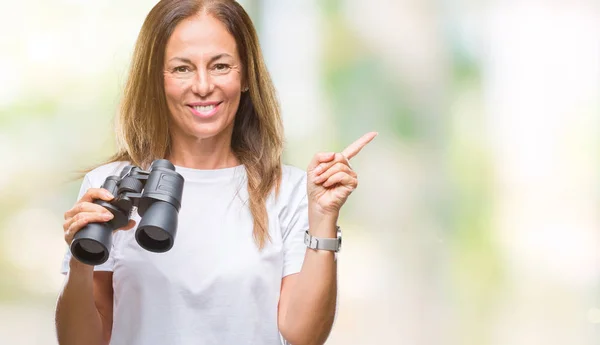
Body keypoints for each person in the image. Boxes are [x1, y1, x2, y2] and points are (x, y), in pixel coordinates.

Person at [55, 1, 377, 344]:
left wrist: (324, 217)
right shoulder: (112, 186)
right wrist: (81, 261)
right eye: (182, 69)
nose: (203, 85)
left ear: (246, 76)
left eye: (221, 66)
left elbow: (302, 336)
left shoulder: (290, 189)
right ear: (156, 79)